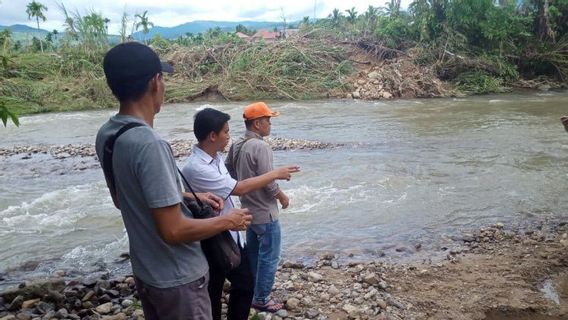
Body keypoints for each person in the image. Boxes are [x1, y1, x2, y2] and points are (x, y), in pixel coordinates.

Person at [95, 42, 252, 320]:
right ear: (155, 82)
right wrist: (230, 221)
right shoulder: (150, 144)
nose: (164, 85)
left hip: (147, 271)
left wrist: (191, 197)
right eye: (163, 77)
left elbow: (124, 200)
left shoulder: (108, 135)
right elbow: (174, 231)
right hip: (178, 278)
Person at [181, 108, 299, 320]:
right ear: (212, 136)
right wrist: (277, 178)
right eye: (226, 132)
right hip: (216, 235)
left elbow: (231, 179)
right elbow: (240, 187)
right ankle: (258, 300)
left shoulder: (223, 153)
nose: (229, 136)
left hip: (237, 225)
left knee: (244, 280)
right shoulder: (197, 167)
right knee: (218, 288)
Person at [225, 102, 293, 313]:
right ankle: (261, 298)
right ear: (256, 123)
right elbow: (269, 181)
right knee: (270, 257)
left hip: (247, 210)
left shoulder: (237, 144)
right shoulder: (261, 146)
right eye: (267, 120)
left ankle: (253, 291)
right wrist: (281, 196)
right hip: (265, 212)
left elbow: (229, 173)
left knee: (254, 255)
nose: (270, 124)